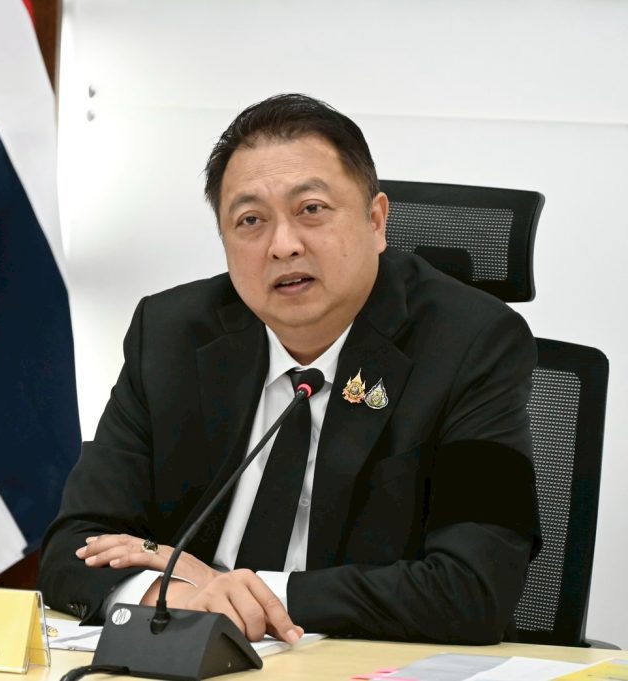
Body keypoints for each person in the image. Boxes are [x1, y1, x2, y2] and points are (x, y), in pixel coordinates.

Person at [38, 94, 540, 645]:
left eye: (312, 210)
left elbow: (474, 588)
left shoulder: (473, 345)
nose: (283, 245)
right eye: (250, 220)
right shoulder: (171, 336)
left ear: (376, 221)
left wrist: (249, 593)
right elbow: (73, 548)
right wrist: (177, 596)